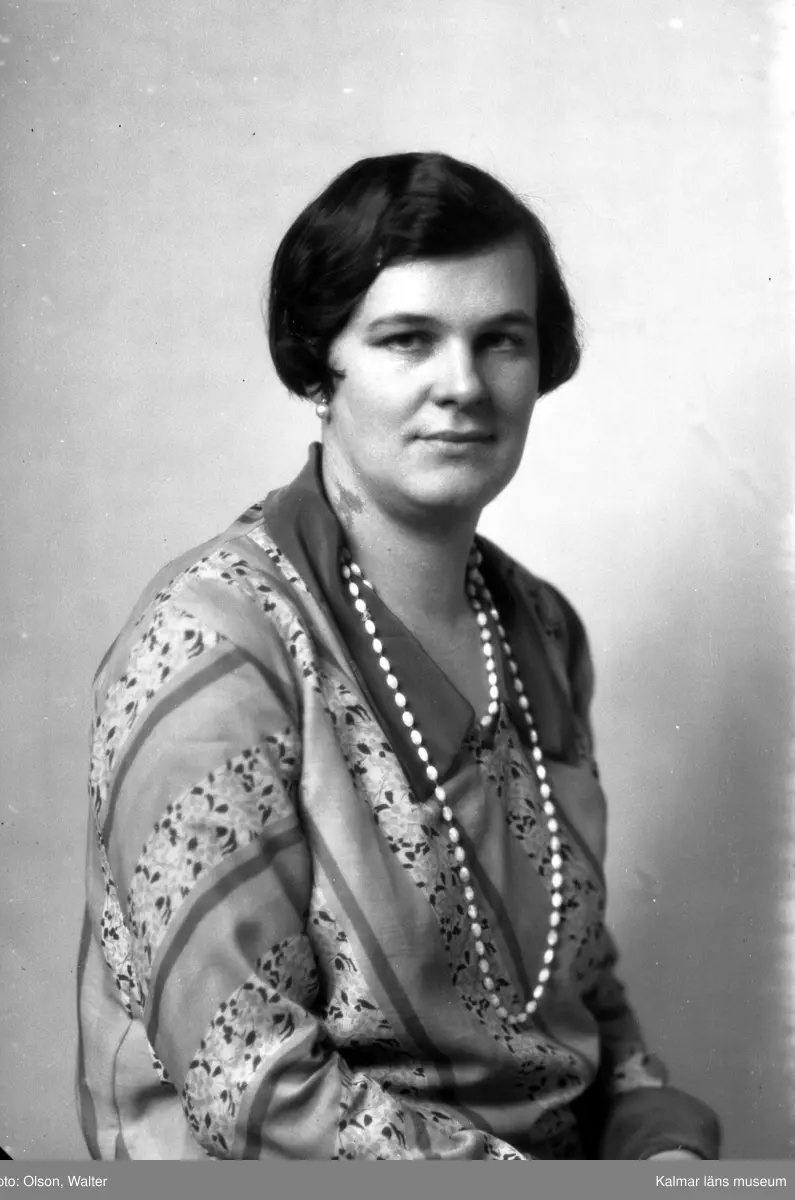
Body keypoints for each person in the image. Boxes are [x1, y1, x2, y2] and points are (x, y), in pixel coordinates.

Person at [76, 152, 720, 1160]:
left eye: (500, 340)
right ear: (317, 367)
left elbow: (571, 995)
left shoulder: (541, 631)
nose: (462, 385)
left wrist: (657, 1146)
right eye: (407, 339)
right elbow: (248, 1083)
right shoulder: (215, 641)